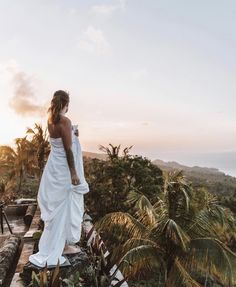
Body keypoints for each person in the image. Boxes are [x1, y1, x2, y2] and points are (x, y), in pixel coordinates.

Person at [29, 90, 90, 267]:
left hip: (53, 167)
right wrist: (73, 173)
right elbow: (68, 150)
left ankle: (61, 244)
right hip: (63, 169)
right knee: (65, 206)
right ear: (66, 103)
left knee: (58, 208)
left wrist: (72, 134)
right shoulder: (65, 121)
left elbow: (59, 142)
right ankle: (61, 246)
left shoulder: (51, 119)